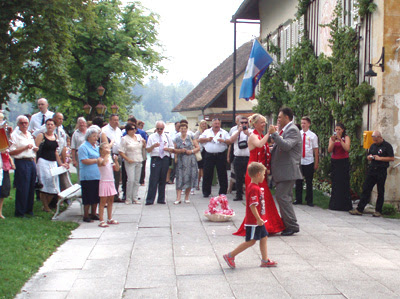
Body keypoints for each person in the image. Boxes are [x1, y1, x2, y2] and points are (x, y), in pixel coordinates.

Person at [234, 114, 285, 236]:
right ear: (255, 124)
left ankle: (266, 224)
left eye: (264, 122)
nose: (264, 124)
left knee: (264, 198)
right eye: (261, 122)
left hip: (260, 171)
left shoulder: (261, 135)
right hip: (253, 171)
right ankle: (256, 224)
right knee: (257, 198)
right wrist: (269, 133)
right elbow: (260, 144)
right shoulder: (253, 136)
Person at [223, 162, 277, 269]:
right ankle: (230, 256)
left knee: (264, 237)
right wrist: (258, 218)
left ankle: (265, 260)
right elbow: (253, 206)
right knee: (251, 241)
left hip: (258, 221)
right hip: (254, 222)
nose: (264, 177)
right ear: (258, 174)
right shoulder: (254, 189)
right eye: (263, 175)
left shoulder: (254, 187)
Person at [269, 107, 302, 236]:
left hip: (288, 170)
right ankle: (288, 222)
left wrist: (275, 134)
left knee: (282, 197)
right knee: (284, 197)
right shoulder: (286, 130)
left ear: (287, 118)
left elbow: (287, 146)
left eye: (279, 117)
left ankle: (292, 225)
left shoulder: (292, 129)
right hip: (283, 170)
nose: (278, 120)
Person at [350, 131, 394, 217]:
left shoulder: (387, 146)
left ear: (380, 137)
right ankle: (360, 209)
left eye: (376, 140)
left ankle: (378, 210)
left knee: (380, 190)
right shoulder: (373, 146)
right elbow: (368, 154)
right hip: (372, 169)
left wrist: (380, 158)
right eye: (374, 140)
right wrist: (369, 157)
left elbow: (391, 158)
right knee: (366, 188)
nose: (375, 142)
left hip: (381, 170)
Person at [35, 119, 69, 212]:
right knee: (44, 184)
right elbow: (35, 150)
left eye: (51, 124)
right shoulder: (41, 135)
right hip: (43, 162)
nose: (50, 126)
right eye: (48, 124)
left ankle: (47, 204)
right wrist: (34, 162)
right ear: (46, 126)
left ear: (54, 126)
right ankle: (45, 206)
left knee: (53, 185)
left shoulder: (55, 136)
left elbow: (56, 152)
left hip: (53, 162)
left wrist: (61, 163)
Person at [9, 115, 38, 217]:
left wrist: (35, 149)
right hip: (21, 161)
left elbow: (33, 147)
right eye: (22, 123)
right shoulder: (15, 135)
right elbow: (11, 151)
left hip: (31, 161)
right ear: (18, 124)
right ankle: (20, 212)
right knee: (23, 187)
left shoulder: (29, 134)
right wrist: (25, 147)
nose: (24, 125)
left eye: (26, 123)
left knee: (31, 186)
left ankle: (29, 209)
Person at [199, 118, 231, 197]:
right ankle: (206, 192)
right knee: (207, 173)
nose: (217, 125)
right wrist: (207, 139)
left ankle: (223, 191)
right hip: (209, 155)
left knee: (222, 173)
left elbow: (230, 141)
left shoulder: (224, 132)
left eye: (218, 124)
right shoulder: (207, 132)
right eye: (215, 124)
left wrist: (223, 141)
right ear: (212, 124)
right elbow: (199, 139)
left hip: (220, 155)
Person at [145, 121, 174, 205]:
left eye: (161, 129)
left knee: (163, 178)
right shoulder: (152, 137)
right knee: (154, 179)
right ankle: (150, 199)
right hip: (156, 158)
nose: (159, 130)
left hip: (164, 158)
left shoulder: (167, 136)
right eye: (157, 128)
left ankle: (161, 198)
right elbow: (148, 150)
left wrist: (167, 149)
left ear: (163, 129)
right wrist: (153, 146)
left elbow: (172, 147)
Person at [78, 126, 101, 222]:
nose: (96, 138)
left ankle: (94, 213)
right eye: (93, 136)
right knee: (88, 196)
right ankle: (86, 215)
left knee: (96, 195)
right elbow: (84, 160)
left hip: (96, 174)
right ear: (88, 137)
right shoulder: (83, 147)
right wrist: (96, 160)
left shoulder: (96, 147)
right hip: (87, 176)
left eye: (96, 136)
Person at [295, 117, 319, 206]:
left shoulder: (313, 136)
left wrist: (316, 162)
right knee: (299, 180)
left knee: (309, 181)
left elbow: (315, 150)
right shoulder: (298, 134)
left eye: (304, 123)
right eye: (302, 123)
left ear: (309, 124)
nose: (303, 125)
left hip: (309, 160)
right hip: (300, 160)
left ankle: (309, 200)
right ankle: (298, 199)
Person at [327, 123, 352, 211]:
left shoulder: (346, 138)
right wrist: (333, 141)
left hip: (343, 161)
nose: (337, 131)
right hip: (335, 161)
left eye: (339, 129)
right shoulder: (332, 138)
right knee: (335, 182)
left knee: (344, 182)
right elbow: (329, 150)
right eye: (336, 129)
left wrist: (340, 140)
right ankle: (335, 204)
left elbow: (347, 148)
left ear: (343, 130)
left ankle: (345, 205)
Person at [173, 122, 200, 204]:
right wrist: (176, 158)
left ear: (187, 129)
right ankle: (178, 198)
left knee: (189, 177)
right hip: (181, 159)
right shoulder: (177, 138)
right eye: (181, 128)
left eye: (185, 128)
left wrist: (191, 151)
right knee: (179, 177)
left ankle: (187, 197)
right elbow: (175, 149)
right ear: (179, 129)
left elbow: (197, 147)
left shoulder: (191, 137)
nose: (183, 130)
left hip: (190, 159)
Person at [119, 123, 145, 205]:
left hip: (139, 159)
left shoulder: (139, 137)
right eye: (132, 129)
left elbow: (143, 147)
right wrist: (127, 159)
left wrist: (144, 143)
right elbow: (121, 151)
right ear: (128, 130)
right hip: (130, 160)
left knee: (137, 180)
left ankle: (135, 197)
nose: (134, 130)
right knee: (130, 180)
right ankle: (128, 198)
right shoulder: (124, 139)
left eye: (134, 129)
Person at [97, 143, 120, 227]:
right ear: (101, 150)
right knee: (103, 202)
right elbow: (103, 164)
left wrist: (116, 161)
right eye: (105, 147)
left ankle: (110, 218)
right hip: (104, 181)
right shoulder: (99, 159)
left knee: (111, 200)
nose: (107, 149)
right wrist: (107, 154)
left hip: (111, 181)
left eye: (108, 147)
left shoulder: (109, 159)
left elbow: (117, 169)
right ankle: (101, 220)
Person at [229, 116, 251, 201]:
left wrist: (247, 133)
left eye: (246, 123)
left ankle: (249, 194)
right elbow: (231, 140)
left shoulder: (251, 131)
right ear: (238, 123)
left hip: (248, 157)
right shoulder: (235, 131)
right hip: (238, 158)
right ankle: (239, 195)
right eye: (242, 123)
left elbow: (255, 139)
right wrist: (239, 131)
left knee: (249, 178)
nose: (244, 124)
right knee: (238, 178)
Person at [102, 114, 122, 202]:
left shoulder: (119, 130)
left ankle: (115, 195)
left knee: (118, 175)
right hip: (109, 154)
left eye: (117, 120)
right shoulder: (105, 130)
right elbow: (105, 144)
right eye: (114, 120)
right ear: (110, 120)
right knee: (109, 176)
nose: (116, 122)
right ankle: (108, 196)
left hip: (118, 154)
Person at [71, 117, 87, 183]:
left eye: (83, 123)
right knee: (80, 173)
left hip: (88, 154)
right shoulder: (75, 133)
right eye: (80, 123)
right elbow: (73, 148)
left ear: (85, 123)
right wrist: (74, 160)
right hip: (79, 155)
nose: (82, 124)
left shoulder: (89, 132)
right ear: (78, 124)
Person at [193, 120, 208, 190]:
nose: (204, 125)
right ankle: (198, 183)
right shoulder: (197, 133)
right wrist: (202, 140)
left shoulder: (208, 131)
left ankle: (200, 183)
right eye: (202, 124)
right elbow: (195, 140)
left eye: (205, 124)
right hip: (200, 151)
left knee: (204, 168)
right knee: (201, 168)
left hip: (206, 150)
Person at [0, 149, 14, 219]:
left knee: (3, 191)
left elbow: (8, 155)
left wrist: (12, 163)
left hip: (4, 168)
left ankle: (0, 212)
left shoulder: (3, 143)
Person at [137, 120, 148, 186]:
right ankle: (141, 180)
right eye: (140, 125)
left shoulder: (143, 132)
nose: (141, 127)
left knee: (143, 165)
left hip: (142, 149)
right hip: (140, 149)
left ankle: (141, 180)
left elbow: (146, 142)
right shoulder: (142, 132)